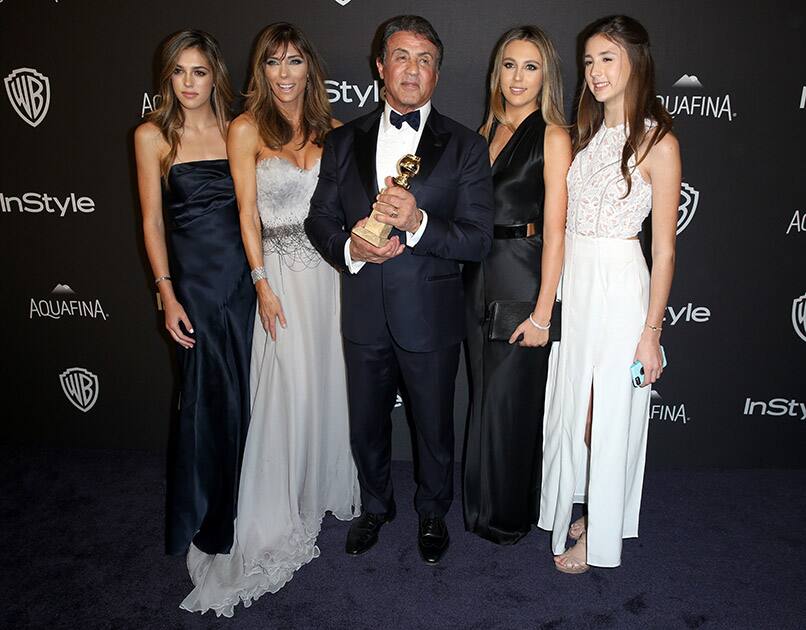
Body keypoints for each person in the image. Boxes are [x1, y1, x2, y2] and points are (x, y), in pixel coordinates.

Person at [180, 23, 360, 616]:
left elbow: (341, 211)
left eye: (294, 62)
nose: (284, 74)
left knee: (326, 387)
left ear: (310, 69)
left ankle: (318, 486)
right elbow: (247, 216)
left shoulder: (333, 131)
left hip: (327, 277)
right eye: (273, 63)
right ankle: (275, 506)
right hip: (278, 280)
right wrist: (261, 283)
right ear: (262, 71)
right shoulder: (246, 127)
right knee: (287, 389)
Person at [306, 14, 495, 565]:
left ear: (437, 74)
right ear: (381, 67)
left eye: (425, 60)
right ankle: (375, 506)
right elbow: (320, 219)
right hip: (364, 309)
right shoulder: (342, 141)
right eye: (402, 57)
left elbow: (478, 240)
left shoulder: (465, 147)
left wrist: (418, 223)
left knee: (434, 425)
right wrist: (349, 250)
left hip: (430, 316)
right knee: (366, 421)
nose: (413, 69)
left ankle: (433, 512)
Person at [538, 15, 681, 573]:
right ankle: (595, 504)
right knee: (579, 407)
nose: (595, 72)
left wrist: (651, 335)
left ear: (635, 62)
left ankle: (600, 529)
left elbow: (664, 250)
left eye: (608, 59)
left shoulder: (657, 141)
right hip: (580, 282)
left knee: (607, 412)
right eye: (589, 61)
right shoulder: (589, 133)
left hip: (621, 285)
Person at [134, 30, 255, 558]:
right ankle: (208, 517)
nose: (188, 83)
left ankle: (247, 505)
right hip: (194, 290)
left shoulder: (239, 129)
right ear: (168, 77)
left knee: (248, 396)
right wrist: (167, 293)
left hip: (243, 281)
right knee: (206, 400)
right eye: (179, 71)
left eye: (199, 71)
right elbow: (152, 223)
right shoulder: (152, 136)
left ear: (215, 76)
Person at [463, 26, 571, 545]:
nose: (518, 77)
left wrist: (543, 313)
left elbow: (556, 231)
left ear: (545, 74)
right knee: (484, 394)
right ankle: (482, 508)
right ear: (496, 70)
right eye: (510, 65)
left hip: (522, 273)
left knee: (513, 399)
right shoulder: (484, 130)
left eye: (530, 67)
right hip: (477, 274)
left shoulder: (552, 135)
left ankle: (506, 515)